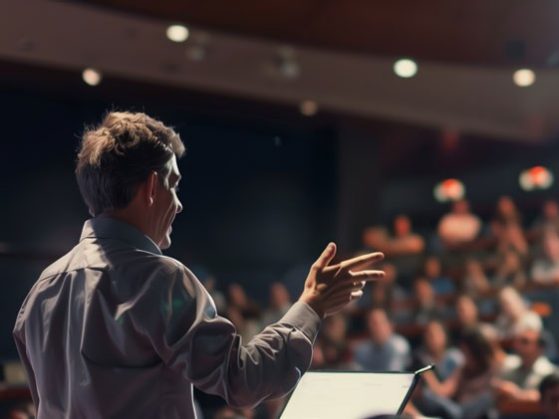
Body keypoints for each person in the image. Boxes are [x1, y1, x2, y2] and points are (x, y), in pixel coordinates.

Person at [12, 112, 385, 418]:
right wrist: (312, 305)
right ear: (152, 188)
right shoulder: (159, 280)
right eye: (174, 185)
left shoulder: (40, 292)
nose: (179, 204)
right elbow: (243, 381)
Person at [494, 320, 557, 402]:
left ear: (540, 348)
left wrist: (517, 394)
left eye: (525, 342)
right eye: (517, 342)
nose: (517, 346)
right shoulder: (509, 369)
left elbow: (550, 400)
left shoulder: (550, 373)